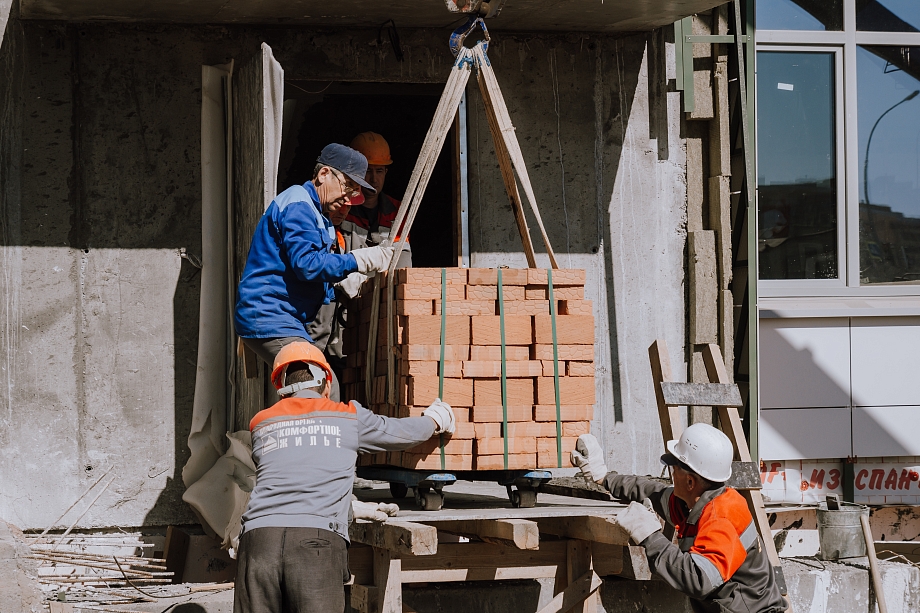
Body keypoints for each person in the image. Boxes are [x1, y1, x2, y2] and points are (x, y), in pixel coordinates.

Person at [233, 342, 455, 613]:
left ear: (279, 386)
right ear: (326, 383)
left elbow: (290, 475)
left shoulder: (261, 423)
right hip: (315, 543)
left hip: (257, 541)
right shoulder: (348, 417)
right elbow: (400, 433)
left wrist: (347, 506)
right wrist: (435, 420)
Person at [571, 424, 787, 613]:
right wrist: (604, 478)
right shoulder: (697, 501)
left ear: (691, 482)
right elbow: (651, 492)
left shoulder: (721, 518)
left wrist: (650, 537)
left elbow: (698, 578)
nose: (671, 474)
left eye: (674, 468)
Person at [235, 143, 393, 400]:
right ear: (324, 174)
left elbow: (312, 267)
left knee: (315, 388)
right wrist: (355, 260)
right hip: (269, 315)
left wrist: (340, 284)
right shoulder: (300, 204)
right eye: (347, 186)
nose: (349, 197)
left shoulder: (320, 215)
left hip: (281, 317)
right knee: (319, 388)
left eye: (354, 192)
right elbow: (307, 265)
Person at [344, 132, 412, 268]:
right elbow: (334, 261)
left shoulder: (398, 211)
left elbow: (402, 262)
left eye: (379, 171)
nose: (374, 179)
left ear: (386, 172)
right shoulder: (342, 206)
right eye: (368, 171)